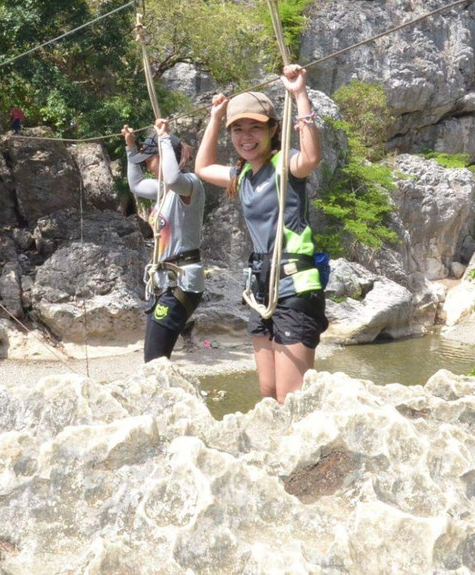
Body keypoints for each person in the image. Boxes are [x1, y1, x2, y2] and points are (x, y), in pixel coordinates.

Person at [195, 65, 326, 403]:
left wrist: (299, 94)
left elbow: (311, 157)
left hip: (294, 287)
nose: (246, 136)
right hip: (261, 288)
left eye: (255, 127)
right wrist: (215, 117)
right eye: (238, 129)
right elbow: (202, 168)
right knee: (268, 393)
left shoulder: (285, 165)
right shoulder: (242, 176)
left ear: (273, 130)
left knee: (290, 396)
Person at [123, 118, 205, 363]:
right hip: (165, 283)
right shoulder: (162, 191)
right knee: (154, 358)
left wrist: (165, 138)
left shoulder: (190, 184)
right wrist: (130, 147)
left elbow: (172, 178)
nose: (147, 167)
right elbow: (136, 184)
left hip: (181, 281)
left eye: (150, 160)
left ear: (165, 155)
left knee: (154, 359)